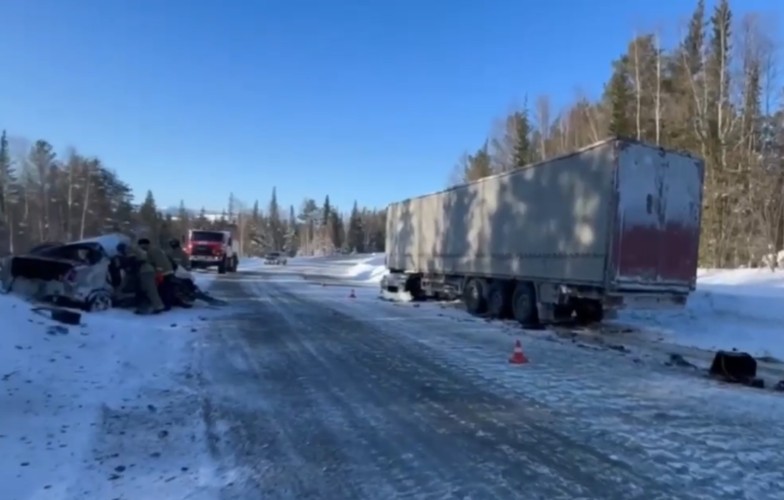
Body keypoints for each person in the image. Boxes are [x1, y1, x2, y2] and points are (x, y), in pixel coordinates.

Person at [116, 241, 166, 315]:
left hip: (146, 271)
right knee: (145, 290)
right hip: (144, 271)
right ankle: (145, 307)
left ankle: (158, 307)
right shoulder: (134, 249)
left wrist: (125, 266)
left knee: (150, 289)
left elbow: (132, 261)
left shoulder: (130, 250)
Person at [138, 238, 175, 309]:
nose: (141, 247)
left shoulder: (153, 251)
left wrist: (159, 273)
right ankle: (166, 304)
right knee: (164, 289)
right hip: (165, 271)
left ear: (145, 244)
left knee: (164, 289)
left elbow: (159, 262)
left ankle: (167, 305)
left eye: (141, 245)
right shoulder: (152, 250)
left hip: (165, 272)